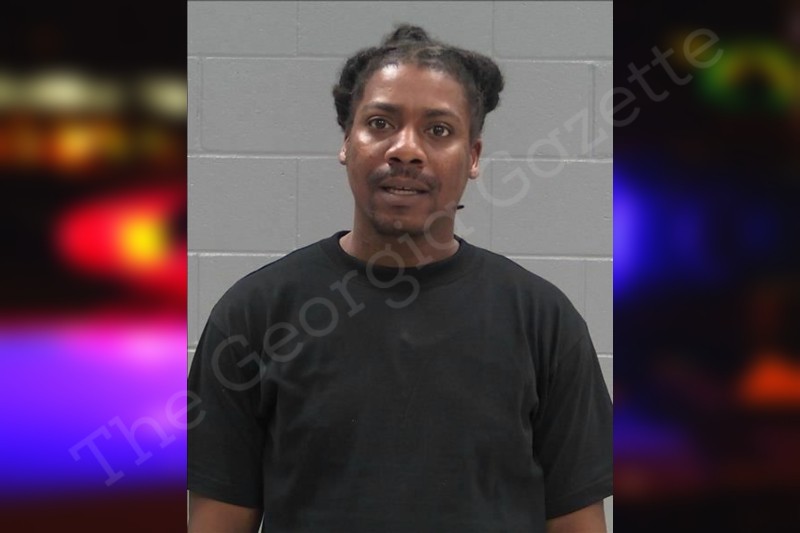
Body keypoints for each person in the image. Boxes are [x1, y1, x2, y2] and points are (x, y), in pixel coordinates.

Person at [188, 24, 612, 533]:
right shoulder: (255, 314)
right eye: (380, 123)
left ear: (473, 157)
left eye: (439, 130)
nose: (406, 150)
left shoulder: (544, 322)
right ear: (347, 142)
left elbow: (577, 522)